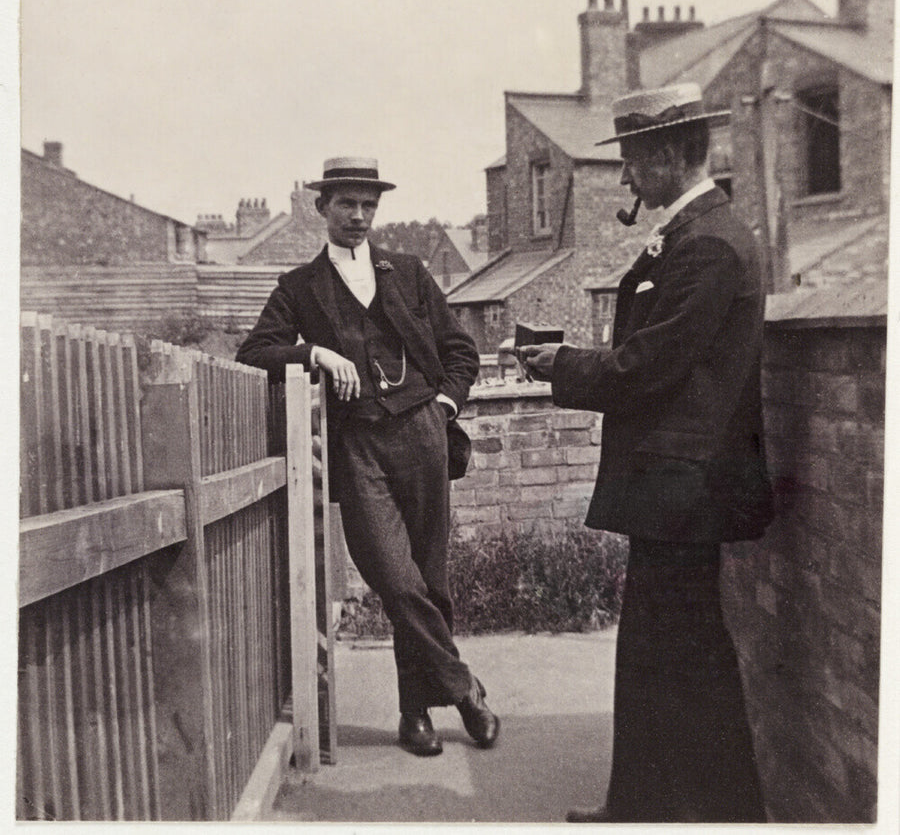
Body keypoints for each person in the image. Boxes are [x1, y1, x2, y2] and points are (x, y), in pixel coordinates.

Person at [519, 83, 774, 823]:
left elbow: (647, 368)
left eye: (631, 162)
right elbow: (652, 355)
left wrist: (561, 364)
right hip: (675, 487)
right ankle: (652, 806)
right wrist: (571, 357)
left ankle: (706, 812)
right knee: (663, 654)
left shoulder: (711, 244)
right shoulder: (693, 234)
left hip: (687, 488)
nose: (625, 178)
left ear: (665, 156)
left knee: (679, 656)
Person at [236, 157, 498, 757]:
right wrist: (314, 354)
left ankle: (416, 716)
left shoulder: (408, 272)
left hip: (424, 434)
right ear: (322, 208)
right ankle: (465, 690)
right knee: (395, 578)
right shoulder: (298, 288)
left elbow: (462, 351)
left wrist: (445, 407)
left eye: (368, 205)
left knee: (430, 580)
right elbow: (255, 352)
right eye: (346, 204)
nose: (358, 216)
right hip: (358, 446)